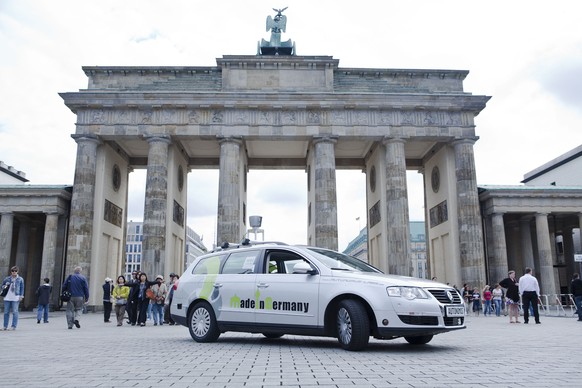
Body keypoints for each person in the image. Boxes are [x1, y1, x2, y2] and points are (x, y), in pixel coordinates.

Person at [2, 266, 24, 330]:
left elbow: (22, 288)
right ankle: (5, 326)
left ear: (17, 271)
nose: (14, 272)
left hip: (16, 297)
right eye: (13, 271)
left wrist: (21, 296)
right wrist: (6, 285)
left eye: (15, 271)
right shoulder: (7, 279)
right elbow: (2, 286)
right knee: (6, 312)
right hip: (7, 297)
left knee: (15, 312)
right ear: (11, 271)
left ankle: (13, 326)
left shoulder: (20, 279)